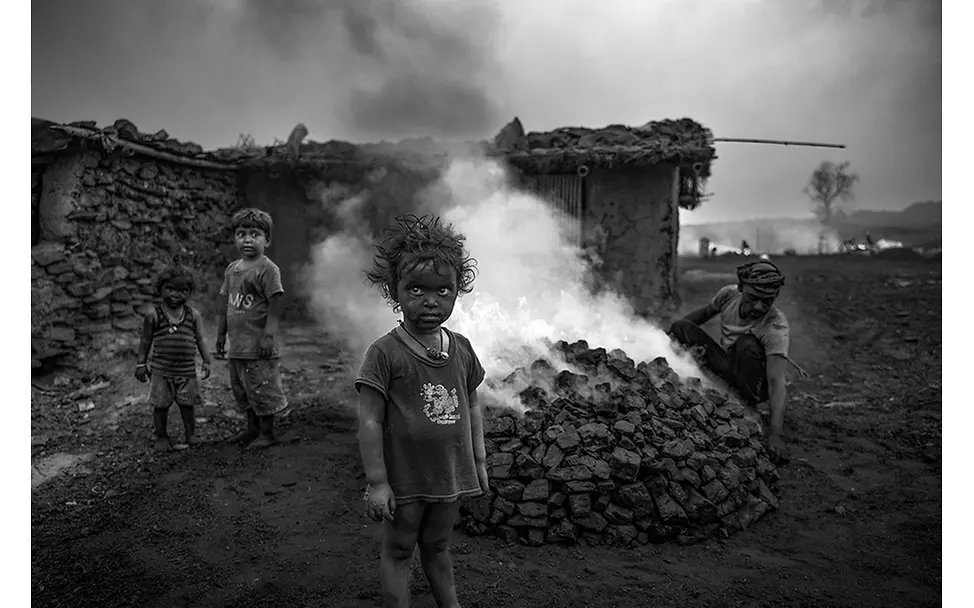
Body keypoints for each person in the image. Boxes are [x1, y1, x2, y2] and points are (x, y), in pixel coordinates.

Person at [355, 214, 490, 608]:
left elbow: (473, 403)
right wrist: (377, 481)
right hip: (405, 479)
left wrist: (478, 461)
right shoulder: (385, 353)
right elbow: (369, 418)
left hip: (450, 476)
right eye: (415, 289)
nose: (430, 301)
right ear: (393, 291)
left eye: (443, 290)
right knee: (400, 549)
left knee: (437, 544)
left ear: (456, 292)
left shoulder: (461, 348)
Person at [669, 260, 796, 463]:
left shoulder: (775, 327)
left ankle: (746, 405)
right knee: (683, 327)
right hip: (729, 365)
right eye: (753, 298)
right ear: (740, 288)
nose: (759, 306)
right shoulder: (728, 295)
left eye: (767, 301)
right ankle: (722, 392)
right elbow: (701, 315)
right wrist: (668, 334)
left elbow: (776, 382)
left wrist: (775, 435)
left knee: (747, 345)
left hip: (755, 382)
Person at [216, 208, 289, 450]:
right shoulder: (231, 270)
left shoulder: (268, 269)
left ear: (267, 240)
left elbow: (276, 302)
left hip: (259, 346)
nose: (247, 239)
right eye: (241, 233)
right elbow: (226, 304)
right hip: (238, 346)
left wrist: (269, 335)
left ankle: (267, 433)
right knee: (243, 390)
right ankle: (252, 430)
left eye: (255, 234)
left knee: (263, 388)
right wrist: (220, 336)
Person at [135, 263, 212, 451]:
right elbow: (145, 340)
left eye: (183, 290)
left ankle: (191, 434)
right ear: (160, 288)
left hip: (186, 370)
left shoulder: (193, 315)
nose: (176, 294)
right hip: (161, 370)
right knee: (160, 405)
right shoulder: (154, 315)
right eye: (170, 288)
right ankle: (161, 436)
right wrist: (141, 363)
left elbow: (200, 339)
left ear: (190, 292)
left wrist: (207, 361)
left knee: (188, 405)